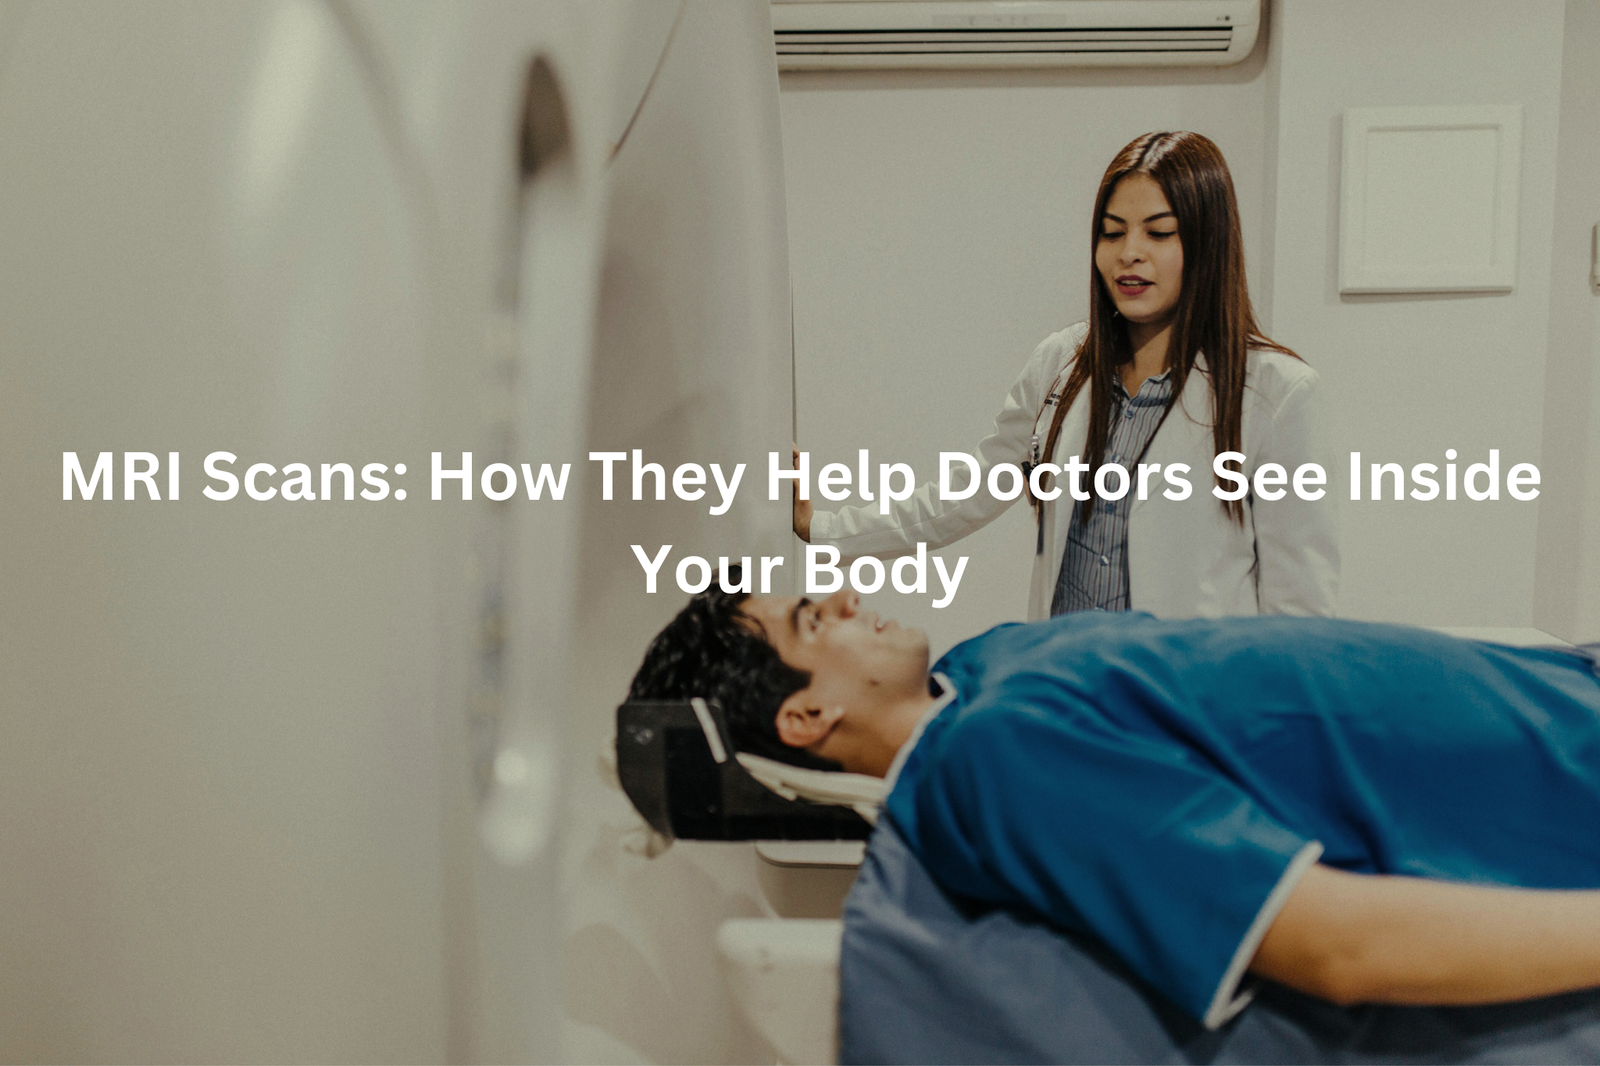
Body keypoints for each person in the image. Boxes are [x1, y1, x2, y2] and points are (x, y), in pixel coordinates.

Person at [629, 584, 1600, 1029]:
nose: (843, 593)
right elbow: (1335, 945)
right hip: (1560, 801)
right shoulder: (992, 760)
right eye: (813, 619)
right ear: (808, 713)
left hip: (1559, 708)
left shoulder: (983, 668)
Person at [795, 131, 1337, 620]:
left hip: (1185, 707)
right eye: (1112, 232)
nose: (1130, 254)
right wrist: (823, 528)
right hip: (1066, 689)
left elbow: (1301, 611)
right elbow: (967, 492)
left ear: (1208, 243)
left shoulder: (1275, 395)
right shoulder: (1063, 362)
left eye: (1159, 233)